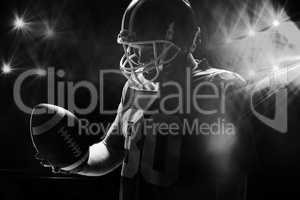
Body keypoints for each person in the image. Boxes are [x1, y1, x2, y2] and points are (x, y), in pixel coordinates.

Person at [39, 0, 254, 199]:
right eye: (135, 48)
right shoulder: (135, 87)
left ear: (181, 41)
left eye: (149, 49)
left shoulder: (220, 86)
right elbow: (113, 148)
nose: (139, 59)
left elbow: (232, 175)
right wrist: (77, 161)